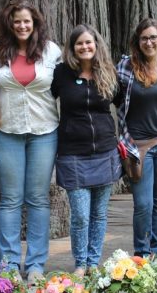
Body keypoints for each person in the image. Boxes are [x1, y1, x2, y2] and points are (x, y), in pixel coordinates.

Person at [0, 0, 61, 285]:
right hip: (7, 131)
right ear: (10, 23)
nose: (22, 25)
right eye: (17, 21)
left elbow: (62, 87)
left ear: (35, 23)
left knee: (39, 199)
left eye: (27, 21)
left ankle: (36, 265)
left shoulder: (52, 51)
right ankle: (7, 264)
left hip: (44, 131)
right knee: (10, 199)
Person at [50, 24, 122, 277]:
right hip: (72, 153)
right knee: (80, 215)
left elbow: (125, 104)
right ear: (72, 48)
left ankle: (94, 262)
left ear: (96, 45)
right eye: (79, 43)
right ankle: (80, 263)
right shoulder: (61, 74)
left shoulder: (109, 73)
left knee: (100, 214)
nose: (84, 47)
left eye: (89, 42)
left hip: (105, 151)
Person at [116, 18, 157, 259]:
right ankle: (141, 253)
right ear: (138, 41)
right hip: (136, 147)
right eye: (144, 38)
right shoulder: (126, 67)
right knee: (143, 204)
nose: (149, 42)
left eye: (154, 37)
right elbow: (109, 95)